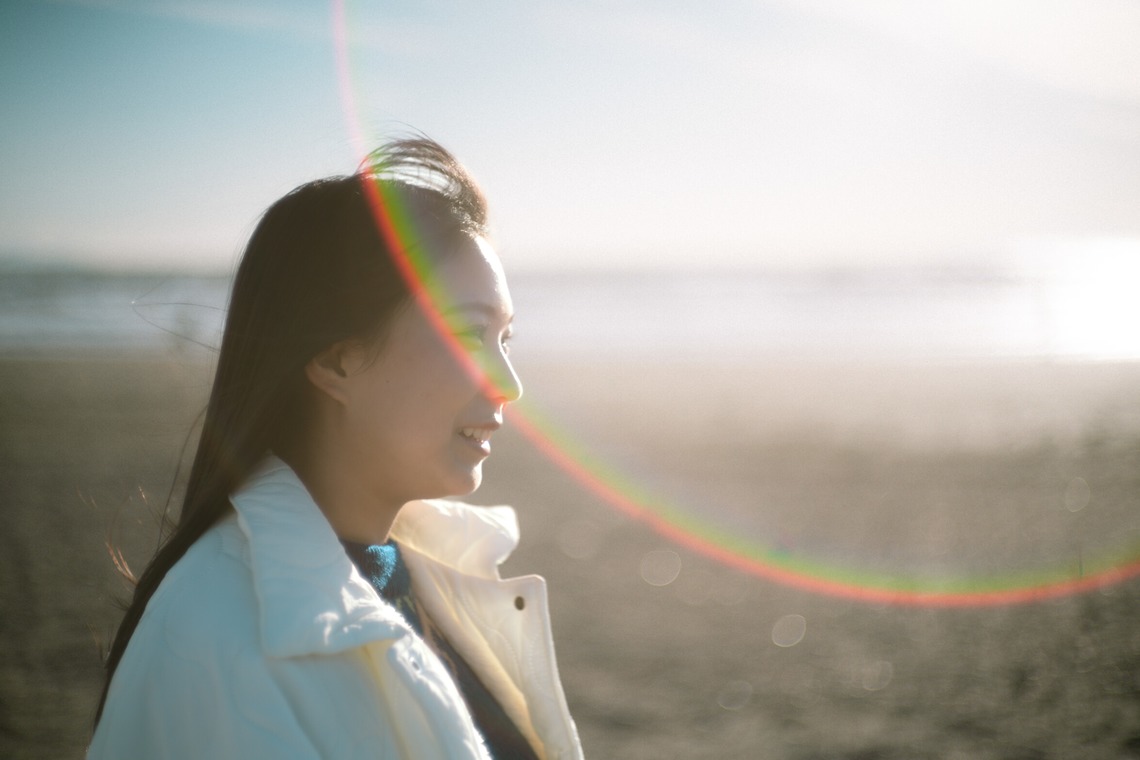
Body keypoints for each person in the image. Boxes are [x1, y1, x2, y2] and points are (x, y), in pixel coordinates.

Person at [89, 138, 583, 759]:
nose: (508, 383)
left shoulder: (428, 573)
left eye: (505, 338)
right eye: (468, 333)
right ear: (336, 359)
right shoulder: (219, 642)